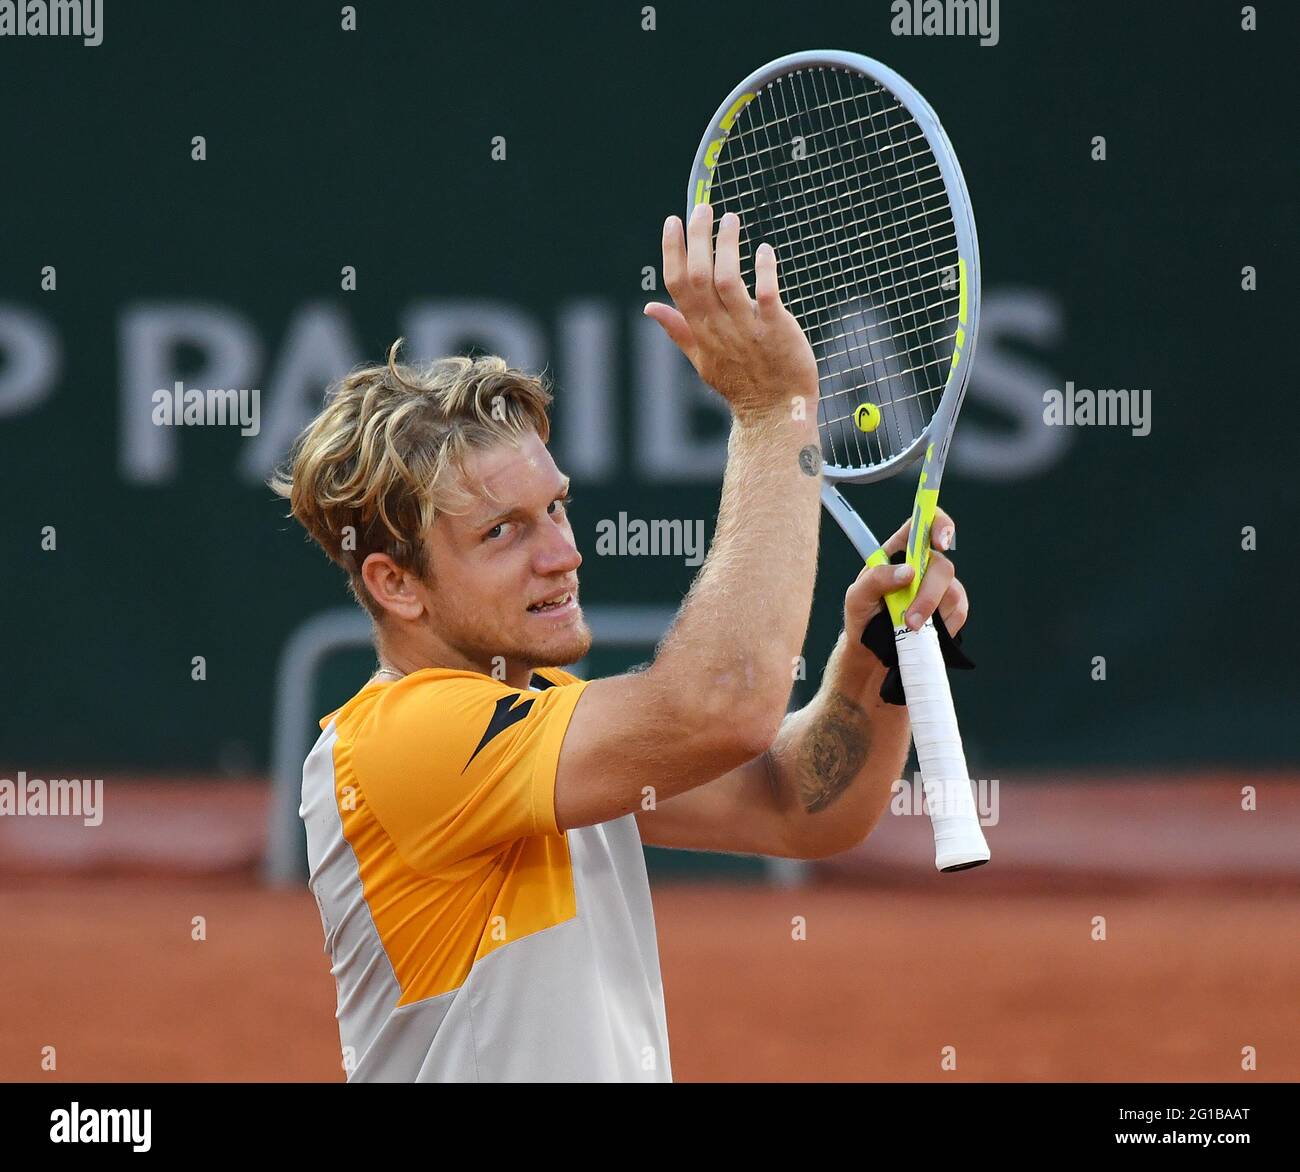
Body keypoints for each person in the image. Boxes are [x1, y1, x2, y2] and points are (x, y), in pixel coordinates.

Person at [271, 205, 969, 1082]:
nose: (563, 553)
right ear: (394, 583)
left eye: (556, 508)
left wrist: (874, 656)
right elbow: (721, 705)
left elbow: (799, 806)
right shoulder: (401, 742)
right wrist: (770, 412)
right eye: (502, 533)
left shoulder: (547, 722)